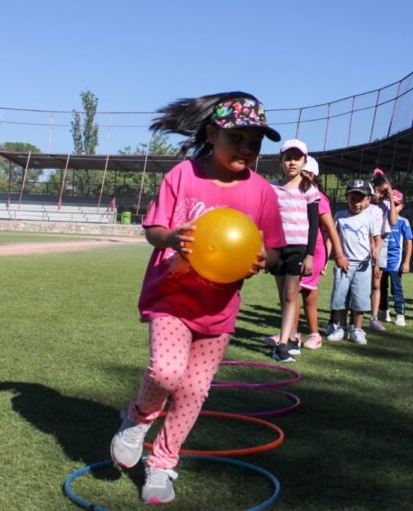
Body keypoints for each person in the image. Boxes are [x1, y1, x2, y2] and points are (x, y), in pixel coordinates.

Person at [109, 92, 286, 505]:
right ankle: (137, 419)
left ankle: (162, 465)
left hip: (219, 309)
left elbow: (276, 250)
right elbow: (153, 229)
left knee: (193, 391)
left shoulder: (262, 192)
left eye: (255, 142)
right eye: (238, 138)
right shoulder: (183, 176)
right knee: (165, 374)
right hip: (171, 297)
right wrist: (173, 237)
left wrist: (265, 258)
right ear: (212, 133)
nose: (247, 148)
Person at [265, 139, 321, 363]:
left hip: (298, 250)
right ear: (280, 161)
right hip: (277, 248)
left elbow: (314, 224)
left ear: (304, 161)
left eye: (297, 158)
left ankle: (281, 346)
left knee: (291, 295)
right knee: (283, 297)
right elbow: (266, 220)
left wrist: (309, 255)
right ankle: (289, 338)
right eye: (287, 158)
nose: (292, 162)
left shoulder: (310, 189)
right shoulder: (272, 188)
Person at [292, 156, 349, 349]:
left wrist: (339, 255)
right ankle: (305, 334)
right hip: (299, 248)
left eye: (302, 173)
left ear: (311, 175)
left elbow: (331, 228)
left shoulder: (318, 197)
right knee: (306, 294)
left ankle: (294, 334)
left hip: (313, 251)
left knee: (295, 290)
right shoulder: (296, 194)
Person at [326, 179, 381, 344]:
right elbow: (331, 239)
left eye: (361, 199)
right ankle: (342, 328)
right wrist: (327, 260)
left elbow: (377, 239)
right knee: (340, 297)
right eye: (352, 198)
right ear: (346, 198)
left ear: (368, 200)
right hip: (343, 264)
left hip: (363, 266)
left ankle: (357, 329)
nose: (356, 203)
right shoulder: (339, 217)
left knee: (360, 299)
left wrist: (376, 252)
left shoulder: (370, 218)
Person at [367, 169, 398, 332]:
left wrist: (391, 198)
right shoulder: (365, 202)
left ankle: (374, 318)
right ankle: (348, 317)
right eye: (381, 191)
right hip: (363, 244)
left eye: (386, 191)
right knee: (357, 283)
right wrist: (373, 196)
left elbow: (393, 221)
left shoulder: (386, 205)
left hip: (381, 246)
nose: (382, 194)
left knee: (376, 283)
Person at [378, 189, 413, 326]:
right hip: (381, 261)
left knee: (396, 289)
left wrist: (406, 262)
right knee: (381, 287)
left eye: (397, 204)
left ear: (402, 206)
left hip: (395, 262)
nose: (394, 207)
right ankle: (383, 311)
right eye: (391, 203)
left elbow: (409, 242)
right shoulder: (381, 219)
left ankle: (400, 314)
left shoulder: (403, 222)